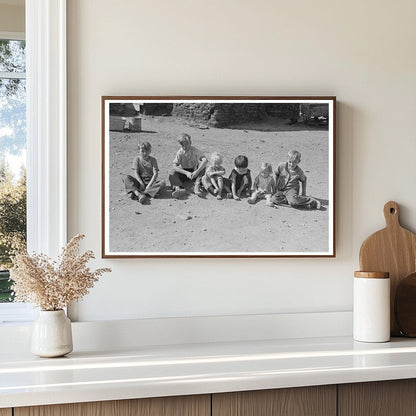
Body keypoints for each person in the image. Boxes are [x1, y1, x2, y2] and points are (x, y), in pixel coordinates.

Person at [169, 133, 207, 198]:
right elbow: (174, 166)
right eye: (182, 145)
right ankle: (179, 189)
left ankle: (197, 185)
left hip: (194, 170)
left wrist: (196, 172)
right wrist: (186, 173)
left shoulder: (195, 150)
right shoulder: (180, 152)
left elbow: (205, 160)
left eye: (186, 144)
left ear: (190, 142)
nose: (184, 147)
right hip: (185, 171)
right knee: (172, 173)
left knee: (203, 167)